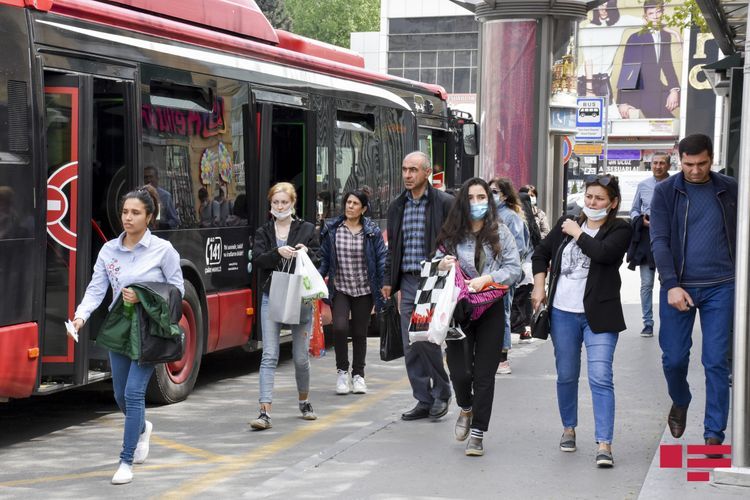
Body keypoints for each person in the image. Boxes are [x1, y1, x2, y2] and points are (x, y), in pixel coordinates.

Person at [71, 185, 184, 484]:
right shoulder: (109, 250)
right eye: (124, 212)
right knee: (120, 394)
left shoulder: (163, 250)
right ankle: (143, 427)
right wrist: (81, 316)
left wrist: (144, 297)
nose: (128, 218)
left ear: (149, 216)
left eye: (135, 213)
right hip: (119, 327)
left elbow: (177, 292)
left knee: (134, 393)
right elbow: (97, 288)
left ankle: (126, 460)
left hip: (149, 331)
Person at [531, 174, 632, 468]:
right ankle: (569, 428)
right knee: (566, 375)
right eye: (588, 196)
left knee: (600, 376)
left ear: (612, 203)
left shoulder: (620, 228)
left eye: (599, 198)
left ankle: (604, 443)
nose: (592, 203)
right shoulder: (568, 223)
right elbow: (540, 253)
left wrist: (578, 233)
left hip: (600, 316)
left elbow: (603, 254)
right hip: (563, 312)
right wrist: (539, 285)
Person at [650, 134, 737, 449]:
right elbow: (658, 240)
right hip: (679, 286)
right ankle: (681, 399)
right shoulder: (665, 192)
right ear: (679, 160)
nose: (696, 170)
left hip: (722, 285)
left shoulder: (730, 189)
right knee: (673, 358)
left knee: (716, 360)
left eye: (702, 164)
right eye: (689, 164)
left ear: (711, 159)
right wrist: (671, 284)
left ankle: (714, 433)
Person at [435, 177, 521, 456]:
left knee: (484, 374)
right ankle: (466, 407)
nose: (476, 203)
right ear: (462, 201)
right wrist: (442, 264)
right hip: (459, 309)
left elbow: (514, 269)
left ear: (490, 200)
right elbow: (433, 265)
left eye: (482, 197)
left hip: (491, 307)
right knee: (460, 372)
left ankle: (478, 432)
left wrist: (489, 279)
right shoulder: (451, 234)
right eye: (470, 198)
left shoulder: (501, 232)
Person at [382, 151, 454, 421]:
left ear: (426, 173)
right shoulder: (397, 206)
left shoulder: (444, 203)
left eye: (413, 170)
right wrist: (389, 281)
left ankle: (442, 391)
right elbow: (393, 248)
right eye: (404, 169)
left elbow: (455, 239)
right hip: (408, 280)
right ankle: (423, 399)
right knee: (410, 343)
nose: (408, 175)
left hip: (435, 279)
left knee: (426, 338)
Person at [250, 182, 320, 430]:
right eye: (275, 203)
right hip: (273, 293)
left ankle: (304, 401)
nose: (280, 206)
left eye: (284, 202)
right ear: (270, 205)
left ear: (293, 203)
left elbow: (319, 259)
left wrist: (305, 252)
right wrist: (277, 252)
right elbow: (258, 260)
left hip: (300, 296)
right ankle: (264, 411)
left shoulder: (307, 229)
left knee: (300, 357)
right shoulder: (263, 232)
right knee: (269, 354)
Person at [318, 190, 387, 395]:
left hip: (365, 289)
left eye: (355, 203)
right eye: (348, 202)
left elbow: (381, 260)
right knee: (339, 328)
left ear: (363, 209)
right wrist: (315, 279)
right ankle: (342, 372)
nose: (350, 206)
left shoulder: (372, 232)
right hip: (340, 288)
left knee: (359, 332)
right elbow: (325, 260)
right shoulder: (332, 229)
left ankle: (358, 375)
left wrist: (385, 284)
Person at [488, 177, 530, 372]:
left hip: (504, 274)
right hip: (488, 275)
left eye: (495, 192)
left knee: (503, 312)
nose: (491, 195)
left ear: (504, 196)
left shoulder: (511, 217)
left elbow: (520, 247)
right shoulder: (489, 214)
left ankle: (502, 358)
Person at [627, 152, 670, 337]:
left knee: (668, 282)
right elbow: (634, 210)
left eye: (662, 163)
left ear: (668, 165)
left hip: (669, 239)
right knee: (646, 284)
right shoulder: (643, 185)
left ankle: (669, 322)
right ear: (650, 164)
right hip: (647, 240)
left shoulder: (675, 184)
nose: (658, 166)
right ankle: (648, 323)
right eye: (655, 163)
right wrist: (641, 221)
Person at [617, 0, 681, 119]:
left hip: (657, 89)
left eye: (658, 12)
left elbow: (668, 65)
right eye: (651, 13)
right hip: (641, 93)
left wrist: (674, 90)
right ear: (645, 16)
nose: (656, 16)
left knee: (688, 97)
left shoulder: (665, 36)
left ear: (663, 13)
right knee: (666, 125)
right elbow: (628, 70)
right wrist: (623, 102)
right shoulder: (636, 38)